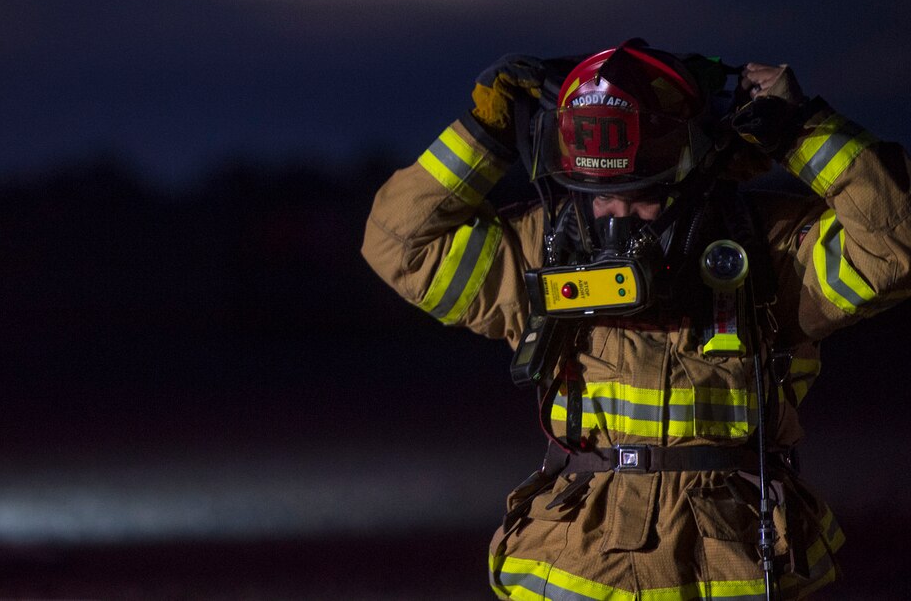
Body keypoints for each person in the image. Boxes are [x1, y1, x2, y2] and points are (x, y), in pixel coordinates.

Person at [361, 39, 911, 599]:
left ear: (692, 173)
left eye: (641, 196)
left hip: (728, 564)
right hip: (572, 564)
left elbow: (897, 244)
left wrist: (802, 129)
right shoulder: (544, 250)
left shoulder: (764, 252)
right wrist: (484, 134)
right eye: (599, 195)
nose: (617, 218)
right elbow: (400, 244)